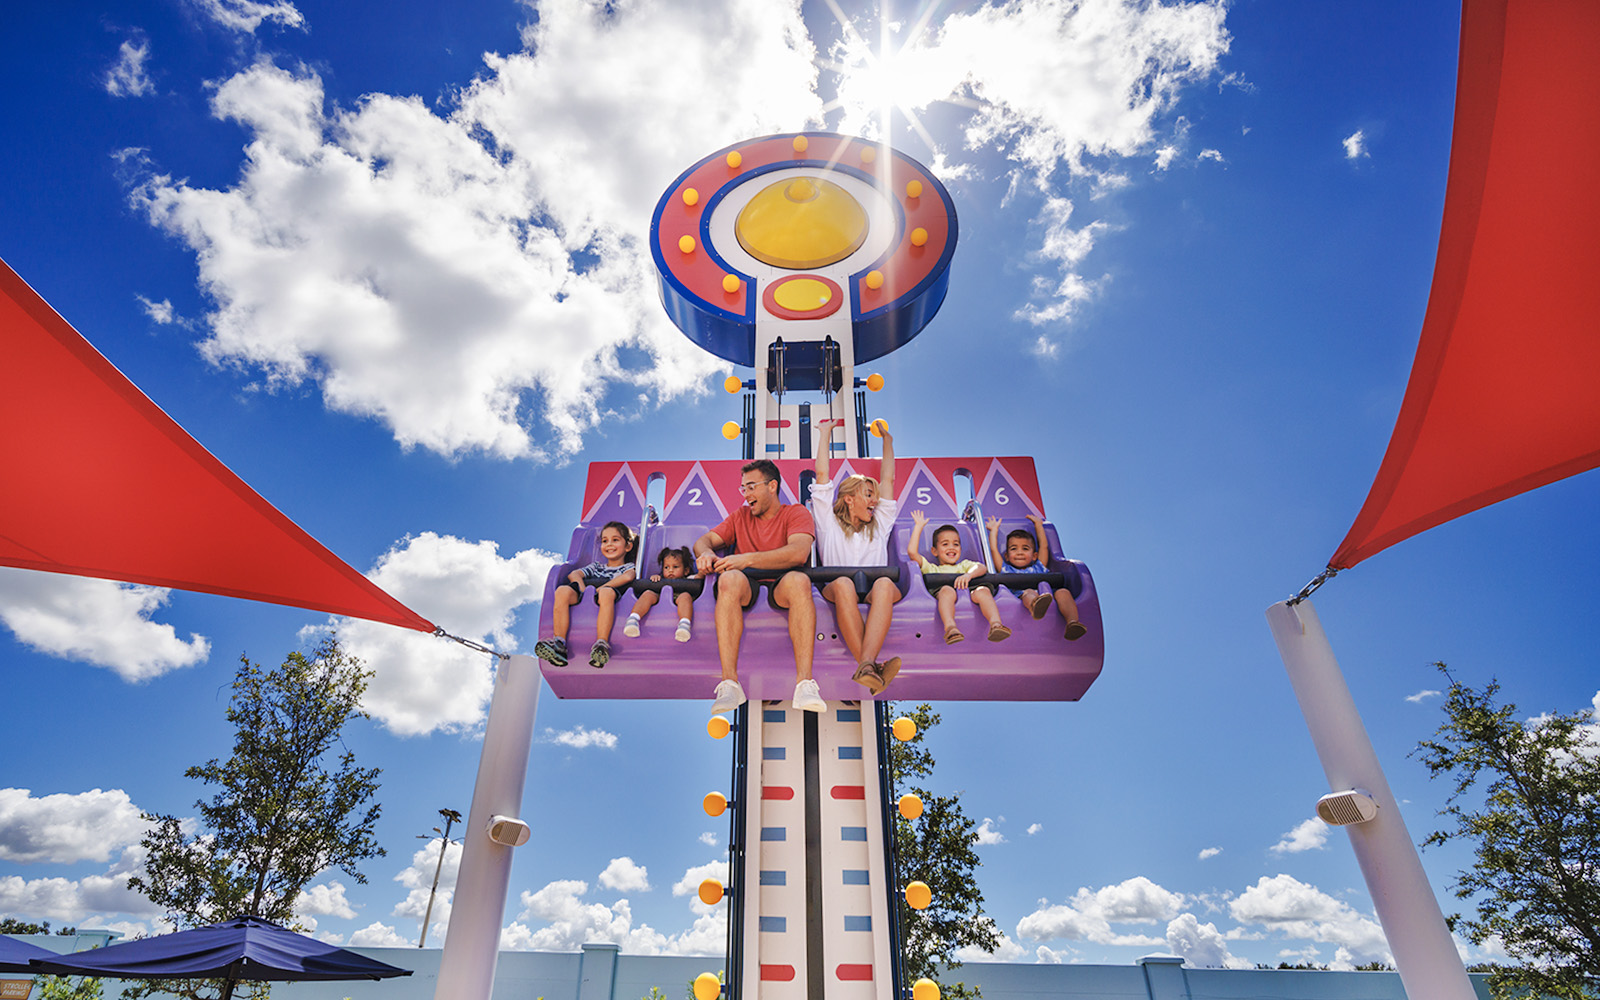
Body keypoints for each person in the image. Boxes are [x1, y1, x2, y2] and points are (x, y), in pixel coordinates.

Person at [692, 460, 821, 713]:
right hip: (746, 583)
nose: (746, 495)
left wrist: (747, 558)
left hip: (784, 579)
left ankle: (805, 684)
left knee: (799, 580)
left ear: (772, 486)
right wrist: (706, 553)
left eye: (751, 487)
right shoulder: (740, 516)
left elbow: (798, 553)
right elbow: (703, 540)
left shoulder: (796, 512)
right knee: (728, 579)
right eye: (743, 489)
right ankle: (729, 684)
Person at [810, 417, 901, 693]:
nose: (875, 501)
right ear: (849, 498)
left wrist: (887, 442)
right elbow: (823, 477)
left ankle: (866, 666)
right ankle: (871, 666)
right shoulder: (829, 522)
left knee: (885, 583)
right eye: (868, 495)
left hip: (874, 588)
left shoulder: (880, 524)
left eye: (875, 496)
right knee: (844, 583)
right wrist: (825, 434)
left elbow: (888, 478)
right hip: (838, 589)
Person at [535, 521, 638, 668]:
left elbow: (629, 576)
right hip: (585, 595)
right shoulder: (596, 566)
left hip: (606, 596)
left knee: (606, 593)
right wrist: (583, 589)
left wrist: (602, 587)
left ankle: (601, 644)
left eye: (615, 540)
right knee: (562, 591)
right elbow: (574, 574)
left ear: (628, 546)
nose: (609, 544)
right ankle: (559, 643)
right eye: (604, 541)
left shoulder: (627, 567)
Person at [908, 510, 1009, 643]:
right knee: (947, 590)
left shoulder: (964, 565)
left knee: (983, 590)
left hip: (969, 593)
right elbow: (912, 553)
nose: (951, 547)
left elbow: (981, 567)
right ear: (934, 551)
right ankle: (950, 628)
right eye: (945, 544)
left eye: (956, 544)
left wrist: (968, 575)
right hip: (946, 593)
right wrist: (918, 526)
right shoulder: (932, 568)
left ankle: (996, 624)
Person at [987, 513, 1088, 640]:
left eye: (1025, 548)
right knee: (1028, 592)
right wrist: (993, 530)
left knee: (1063, 592)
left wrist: (1038, 525)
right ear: (1006, 556)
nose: (1019, 552)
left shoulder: (1039, 566)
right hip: (1024, 595)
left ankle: (1072, 622)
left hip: (1047, 595)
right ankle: (1035, 606)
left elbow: (1044, 547)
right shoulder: (1006, 569)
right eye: (1014, 549)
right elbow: (993, 550)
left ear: (1034, 555)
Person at [623, 546, 697, 642]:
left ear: (686, 570)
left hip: (679, 596)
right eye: (666, 567)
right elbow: (654, 586)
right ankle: (633, 619)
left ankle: (684, 625)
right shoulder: (660, 579)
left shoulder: (689, 579)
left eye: (675, 567)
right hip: (661, 597)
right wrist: (654, 579)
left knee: (685, 596)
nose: (670, 570)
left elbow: (700, 576)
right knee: (648, 593)